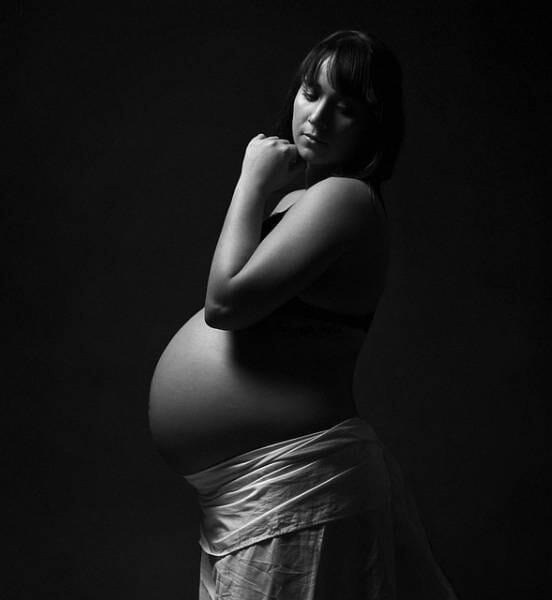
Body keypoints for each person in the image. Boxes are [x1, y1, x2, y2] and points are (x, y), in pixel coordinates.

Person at [149, 30, 457, 599]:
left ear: (374, 126)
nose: (316, 115)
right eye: (310, 92)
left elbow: (226, 304)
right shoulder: (308, 201)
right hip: (258, 495)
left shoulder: (346, 197)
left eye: (345, 107)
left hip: (296, 488)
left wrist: (252, 180)